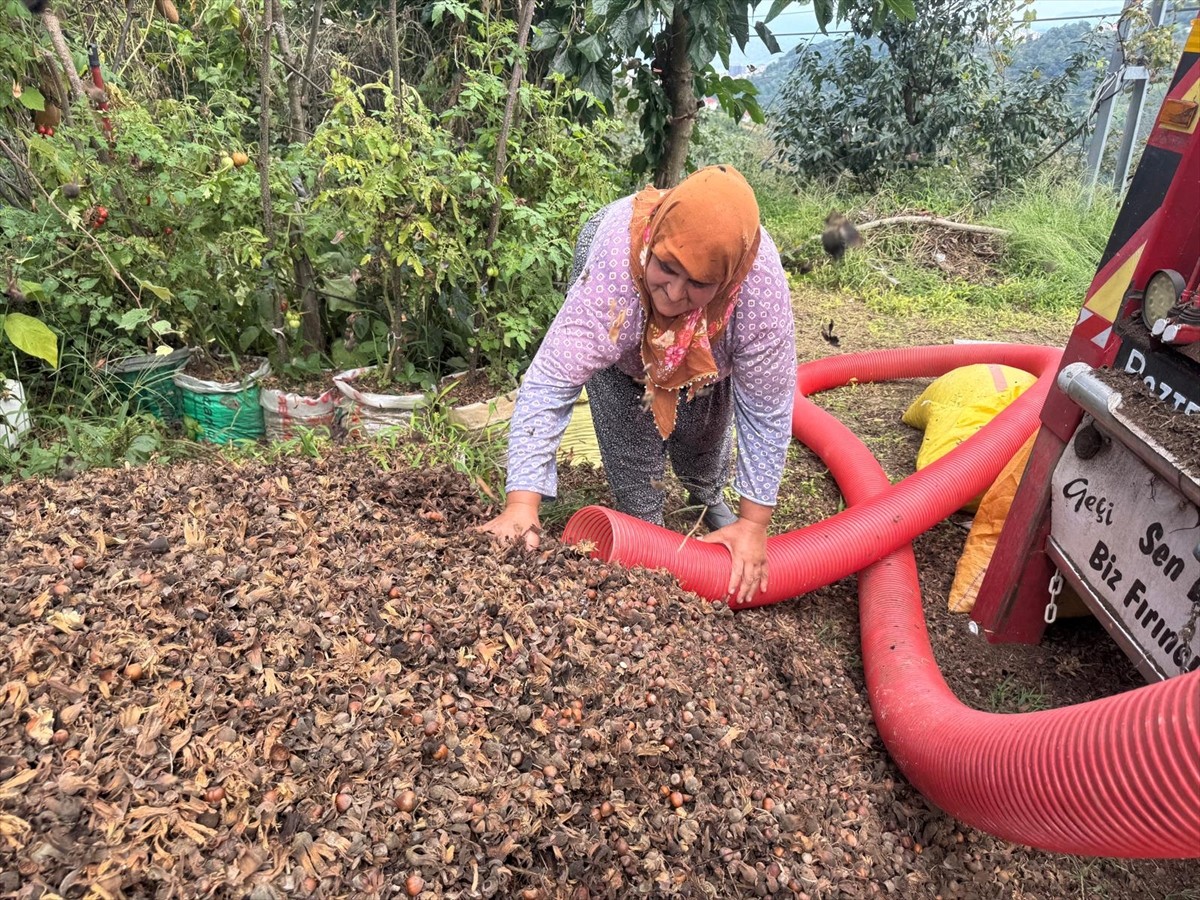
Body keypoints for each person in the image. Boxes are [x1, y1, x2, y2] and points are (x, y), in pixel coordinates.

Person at [478, 164, 796, 604]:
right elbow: (552, 380)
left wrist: (755, 524)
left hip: (710, 353)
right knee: (631, 445)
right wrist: (521, 504)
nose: (672, 293)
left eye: (698, 283)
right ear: (655, 246)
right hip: (619, 306)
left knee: (704, 428)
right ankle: (645, 526)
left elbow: (766, 408)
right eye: (668, 268)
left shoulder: (758, 293)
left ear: (727, 282)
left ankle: (705, 492)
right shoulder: (614, 272)